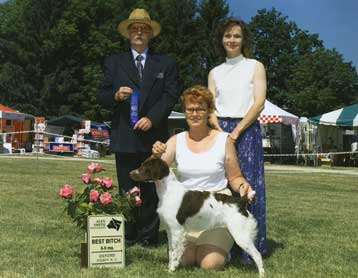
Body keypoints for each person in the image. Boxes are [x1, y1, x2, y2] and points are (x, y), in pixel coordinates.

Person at [97, 8, 179, 247]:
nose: (139, 32)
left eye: (144, 28)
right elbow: (101, 95)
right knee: (127, 188)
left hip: (155, 138)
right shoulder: (114, 62)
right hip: (125, 136)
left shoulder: (167, 63)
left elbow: (170, 94)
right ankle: (129, 234)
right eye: (135, 28)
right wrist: (116, 95)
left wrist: (152, 118)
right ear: (128, 34)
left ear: (151, 34)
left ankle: (150, 236)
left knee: (153, 189)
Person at [152, 85, 254, 269]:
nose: (195, 113)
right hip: (188, 210)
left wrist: (242, 187)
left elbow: (235, 176)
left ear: (209, 112)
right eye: (190, 109)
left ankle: (222, 250)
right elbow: (154, 170)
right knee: (186, 260)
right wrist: (155, 154)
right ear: (184, 112)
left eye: (200, 109)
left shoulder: (225, 140)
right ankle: (193, 247)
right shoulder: (176, 140)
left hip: (216, 209)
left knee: (209, 263)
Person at [207, 18, 268, 260]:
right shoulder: (214, 72)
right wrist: (221, 131)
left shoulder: (255, 66)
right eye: (227, 36)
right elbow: (210, 106)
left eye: (236, 36)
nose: (231, 40)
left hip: (247, 129)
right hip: (220, 130)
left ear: (244, 40)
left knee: (248, 186)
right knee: (222, 187)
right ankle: (222, 246)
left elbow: (259, 102)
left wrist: (236, 131)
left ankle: (251, 249)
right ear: (221, 40)